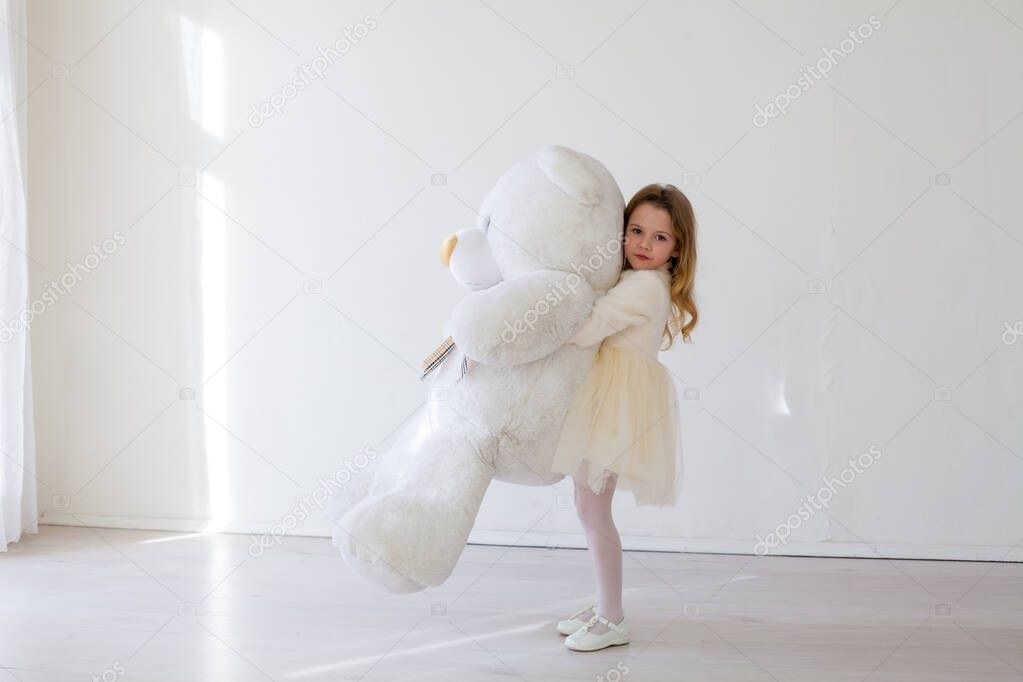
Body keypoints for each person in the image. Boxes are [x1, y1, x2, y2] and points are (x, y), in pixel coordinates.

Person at [550, 183, 699, 652]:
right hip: (607, 400)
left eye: (659, 238)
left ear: (677, 249)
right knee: (587, 507)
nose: (643, 245)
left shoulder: (644, 287)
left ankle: (613, 618)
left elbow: (587, 328)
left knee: (594, 509)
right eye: (636, 231)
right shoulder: (636, 280)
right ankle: (603, 606)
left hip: (615, 407)